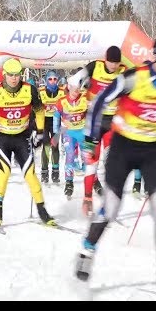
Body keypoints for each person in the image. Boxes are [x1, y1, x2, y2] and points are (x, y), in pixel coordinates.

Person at [74, 35, 156, 296]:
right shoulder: (134, 78)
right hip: (123, 149)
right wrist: (91, 139)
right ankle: (86, 251)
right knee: (112, 208)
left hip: (153, 151)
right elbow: (100, 101)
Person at [0, 58, 56, 228]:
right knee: (4, 172)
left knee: (30, 174)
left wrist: (40, 132)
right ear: (4, 75)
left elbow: (40, 111)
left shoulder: (29, 90)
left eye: (17, 75)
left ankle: (43, 211)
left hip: (22, 136)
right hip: (2, 138)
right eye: (10, 75)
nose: (14, 78)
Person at [67, 46, 127, 207]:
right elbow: (73, 80)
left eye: (116, 62)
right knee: (91, 161)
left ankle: (109, 199)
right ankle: (88, 198)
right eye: (110, 62)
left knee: (111, 161)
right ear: (105, 59)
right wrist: (77, 89)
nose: (113, 66)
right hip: (93, 121)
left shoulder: (123, 71)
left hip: (112, 122)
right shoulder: (95, 66)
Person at [53, 79, 88, 200]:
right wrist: (55, 134)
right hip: (69, 133)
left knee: (88, 156)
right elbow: (56, 118)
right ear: (68, 87)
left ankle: (94, 181)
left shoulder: (85, 98)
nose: (76, 91)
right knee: (70, 155)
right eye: (73, 88)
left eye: (78, 88)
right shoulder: (61, 101)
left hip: (83, 132)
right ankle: (69, 183)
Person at [38, 71, 65, 184]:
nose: (53, 81)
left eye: (55, 79)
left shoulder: (62, 92)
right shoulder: (41, 92)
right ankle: (44, 172)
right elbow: (36, 107)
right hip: (44, 121)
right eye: (50, 79)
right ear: (46, 80)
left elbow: (66, 105)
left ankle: (55, 172)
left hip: (56, 121)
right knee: (46, 146)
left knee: (54, 146)